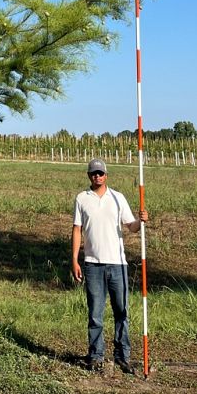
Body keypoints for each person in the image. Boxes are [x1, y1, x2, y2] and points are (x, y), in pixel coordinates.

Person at [71, 158, 148, 374]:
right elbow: (77, 230)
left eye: (101, 173)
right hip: (93, 264)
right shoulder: (81, 199)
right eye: (94, 173)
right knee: (95, 313)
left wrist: (140, 222)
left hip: (118, 264)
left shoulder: (118, 198)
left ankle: (122, 356)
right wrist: (74, 260)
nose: (97, 176)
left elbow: (130, 227)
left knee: (121, 311)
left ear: (106, 175)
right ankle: (96, 356)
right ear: (89, 175)